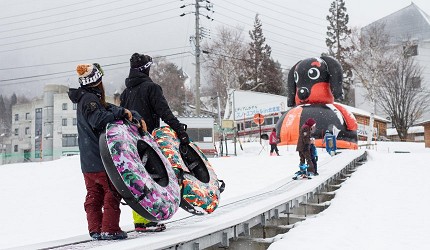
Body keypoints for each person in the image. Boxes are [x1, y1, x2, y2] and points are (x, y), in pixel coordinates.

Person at [68, 63, 143, 240]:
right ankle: (110, 229)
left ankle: (95, 229)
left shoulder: (85, 98)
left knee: (94, 194)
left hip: (87, 159)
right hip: (100, 156)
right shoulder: (90, 100)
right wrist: (120, 115)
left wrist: (125, 112)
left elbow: (108, 108)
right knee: (111, 191)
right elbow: (99, 119)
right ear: (97, 80)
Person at [120, 52, 190, 232]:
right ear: (146, 69)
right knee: (152, 179)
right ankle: (150, 220)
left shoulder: (126, 92)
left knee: (137, 179)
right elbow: (164, 112)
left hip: (130, 141)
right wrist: (180, 131)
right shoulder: (151, 88)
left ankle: (140, 221)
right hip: (147, 140)